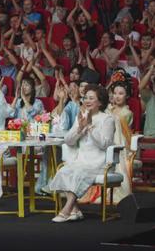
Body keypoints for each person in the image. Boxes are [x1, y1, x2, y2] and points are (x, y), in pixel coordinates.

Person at [46, 85, 116, 222]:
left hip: (99, 161)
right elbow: (68, 140)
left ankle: (66, 210)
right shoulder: (81, 116)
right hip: (81, 160)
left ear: (100, 102)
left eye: (91, 98)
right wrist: (80, 128)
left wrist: (89, 127)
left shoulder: (107, 119)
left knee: (78, 173)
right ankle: (76, 210)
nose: (87, 101)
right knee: (64, 171)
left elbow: (105, 144)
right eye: (85, 98)